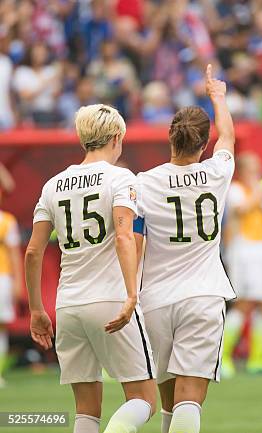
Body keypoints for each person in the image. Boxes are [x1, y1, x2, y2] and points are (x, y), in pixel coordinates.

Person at [24, 104, 157, 433]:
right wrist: (131, 295)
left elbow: (33, 251)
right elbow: (125, 235)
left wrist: (36, 310)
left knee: (86, 410)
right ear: (116, 138)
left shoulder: (53, 185)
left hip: (67, 304)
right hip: (110, 299)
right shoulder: (120, 177)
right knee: (144, 399)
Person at [134, 65, 235, 433]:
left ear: (169, 137)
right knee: (189, 400)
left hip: (155, 297)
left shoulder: (144, 183)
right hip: (204, 295)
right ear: (203, 144)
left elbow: (134, 238)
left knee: (167, 401)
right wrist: (218, 97)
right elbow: (229, 138)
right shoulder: (217, 172)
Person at [222, 151, 262, 377]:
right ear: (243, 171)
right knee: (244, 303)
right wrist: (259, 190)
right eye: (253, 169)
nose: (257, 173)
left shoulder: (261, 191)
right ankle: (223, 357)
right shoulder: (236, 190)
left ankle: (258, 359)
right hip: (242, 250)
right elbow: (242, 209)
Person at [0, 188, 22, 387]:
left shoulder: (6, 220)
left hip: (2, 278)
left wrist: (18, 282)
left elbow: (15, 253)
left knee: (2, 325)